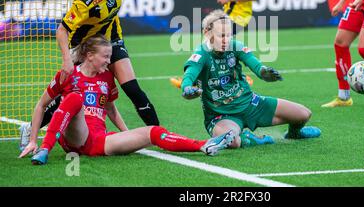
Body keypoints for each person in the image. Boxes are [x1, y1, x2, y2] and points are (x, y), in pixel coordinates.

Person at [19, 0, 160, 152]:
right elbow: (62, 30)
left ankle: (158, 134)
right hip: (85, 46)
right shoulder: (84, 3)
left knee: (132, 89)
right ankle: (30, 128)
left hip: (111, 39)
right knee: (70, 96)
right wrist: (67, 60)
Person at [19, 35, 235, 165]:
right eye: (105, 56)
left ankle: (204, 146)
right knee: (75, 98)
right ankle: (45, 150)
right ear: (89, 56)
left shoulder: (106, 77)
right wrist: (33, 140)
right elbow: (41, 105)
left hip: (98, 141)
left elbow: (111, 109)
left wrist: (125, 132)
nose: (109, 61)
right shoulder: (68, 74)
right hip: (74, 139)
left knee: (153, 131)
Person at [179, 10, 321, 148]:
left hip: (251, 104)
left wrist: (265, 72)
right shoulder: (202, 54)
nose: (226, 40)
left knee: (304, 114)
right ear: (207, 33)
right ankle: (249, 139)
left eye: (229, 35)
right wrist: (187, 88)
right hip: (223, 116)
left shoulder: (235, 46)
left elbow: (256, 65)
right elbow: (189, 76)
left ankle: (294, 133)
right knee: (231, 141)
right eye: (221, 35)